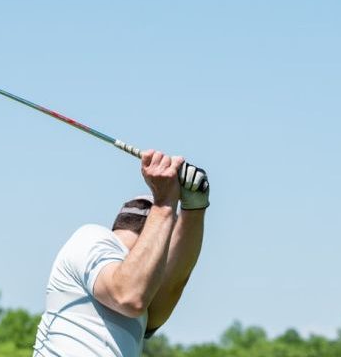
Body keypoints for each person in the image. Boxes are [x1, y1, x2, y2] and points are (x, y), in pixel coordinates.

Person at [33, 150, 209, 356]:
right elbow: (129, 296)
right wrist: (164, 205)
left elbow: (173, 283)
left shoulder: (143, 307)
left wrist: (195, 209)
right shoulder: (90, 239)